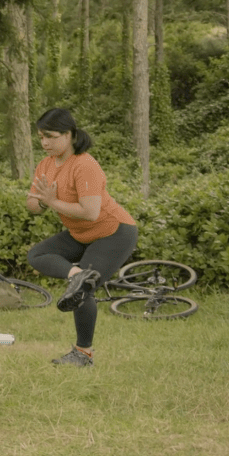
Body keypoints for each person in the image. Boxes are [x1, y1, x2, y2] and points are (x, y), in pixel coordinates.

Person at [26, 108, 138, 367]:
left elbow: (90, 212)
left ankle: (83, 354)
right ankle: (77, 276)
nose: (44, 143)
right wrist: (43, 202)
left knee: (82, 292)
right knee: (38, 255)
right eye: (41, 137)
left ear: (69, 135)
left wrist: (52, 202)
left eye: (51, 137)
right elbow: (32, 204)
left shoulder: (85, 164)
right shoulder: (45, 165)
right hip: (80, 233)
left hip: (113, 232)